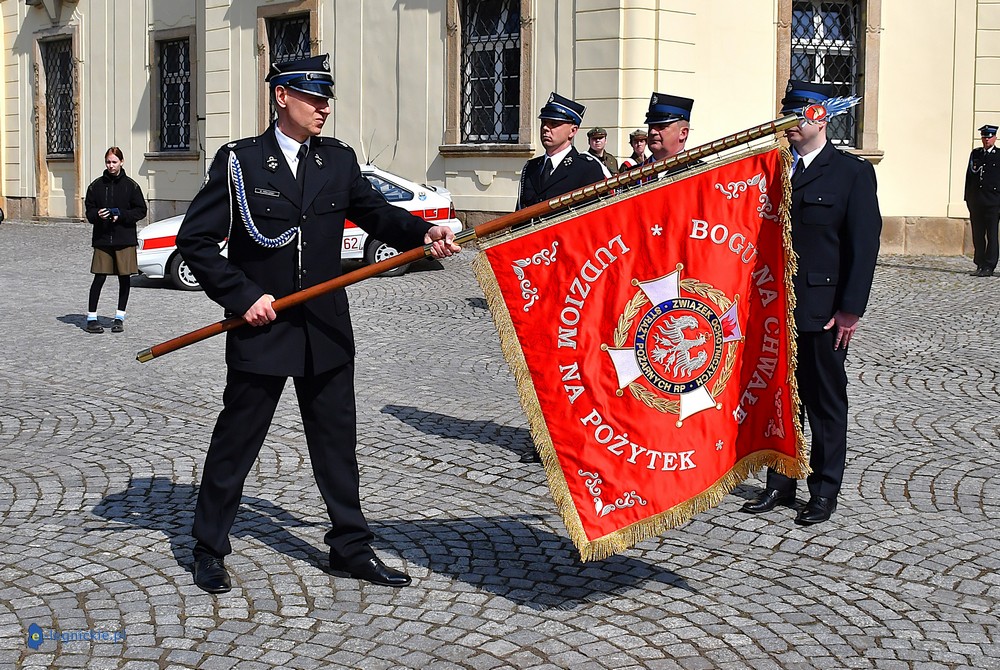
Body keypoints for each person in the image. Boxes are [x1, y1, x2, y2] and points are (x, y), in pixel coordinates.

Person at [176, 54, 460, 594]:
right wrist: (243, 296)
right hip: (263, 326)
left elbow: (376, 213)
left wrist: (422, 234)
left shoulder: (337, 160)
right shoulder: (240, 162)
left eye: (327, 98)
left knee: (336, 444)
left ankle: (350, 547)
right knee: (237, 441)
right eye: (312, 97)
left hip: (324, 328)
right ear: (282, 97)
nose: (323, 107)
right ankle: (208, 547)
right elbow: (196, 241)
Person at [741, 80, 881, 525]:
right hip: (774, 307)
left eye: (797, 115)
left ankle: (823, 490)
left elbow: (864, 245)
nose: (789, 124)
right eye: (786, 115)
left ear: (820, 117)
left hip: (822, 311)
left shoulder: (851, 173)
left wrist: (850, 309)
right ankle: (780, 483)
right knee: (781, 398)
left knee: (824, 402)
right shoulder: (775, 168)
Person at [83, 147, 147, 333]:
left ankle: (119, 317)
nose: (111, 165)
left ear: (121, 162)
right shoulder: (95, 186)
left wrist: (122, 216)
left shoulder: (131, 186)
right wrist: (97, 214)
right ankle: (91, 318)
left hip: (124, 238)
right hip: (103, 239)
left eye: (114, 162)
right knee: (99, 277)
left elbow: (141, 210)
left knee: (124, 278)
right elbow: (89, 211)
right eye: (108, 162)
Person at [516, 92, 609, 210]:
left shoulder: (586, 168)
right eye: (543, 123)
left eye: (554, 124)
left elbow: (592, 215)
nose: (545, 128)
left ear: (573, 131)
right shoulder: (531, 167)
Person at [964, 124, 1000, 277]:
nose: (987, 140)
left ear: (995, 138)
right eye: (984, 137)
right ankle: (979, 263)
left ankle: (989, 265)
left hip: (993, 202)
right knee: (977, 234)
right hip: (977, 201)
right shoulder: (976, 154)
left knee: (992, 235)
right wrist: (967, 198)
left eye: (989, 137)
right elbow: (969, 177)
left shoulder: (998, 155)